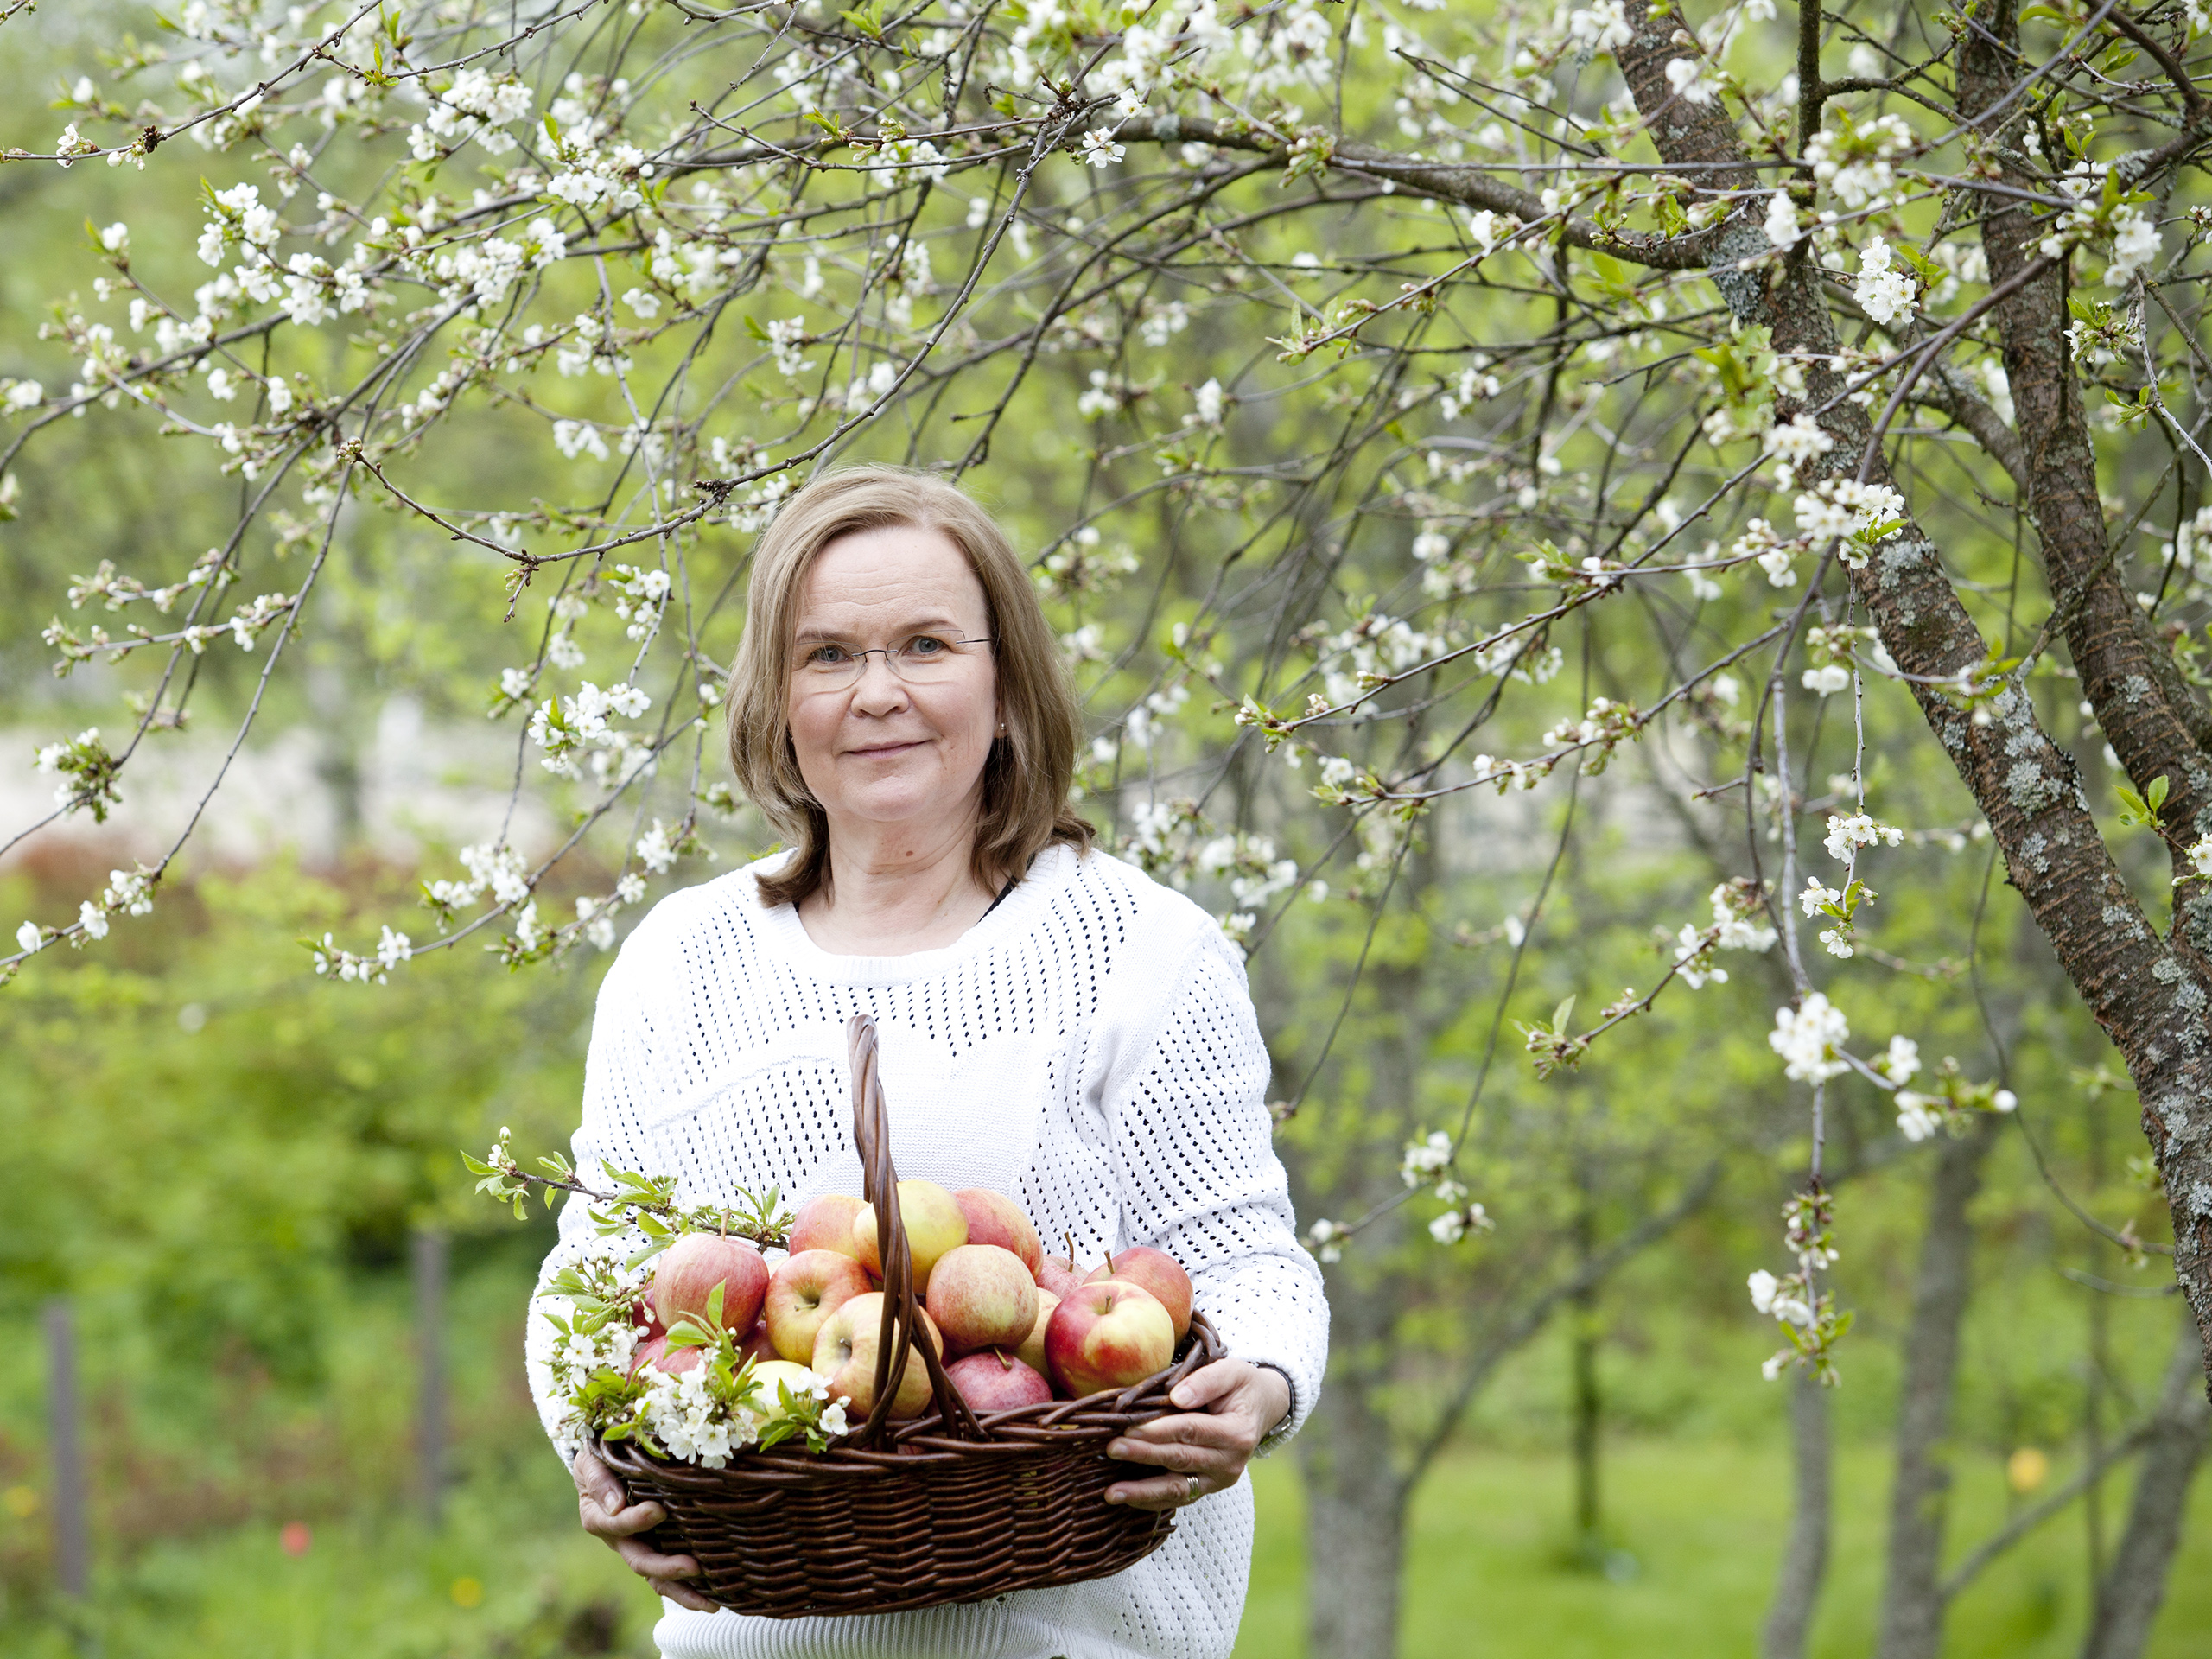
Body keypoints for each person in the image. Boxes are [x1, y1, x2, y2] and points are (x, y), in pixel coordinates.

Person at [525, 463, 1329, 1659]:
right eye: (828, 655)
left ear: (1006, 686)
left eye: (926, 645)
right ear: (777, 701)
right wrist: (594, 1453)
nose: (878, 693)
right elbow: (589, 1281)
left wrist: (1260, 1386)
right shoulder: (681, 963)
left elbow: (1244, 1260)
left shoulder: (1139, 951)